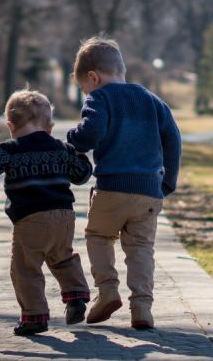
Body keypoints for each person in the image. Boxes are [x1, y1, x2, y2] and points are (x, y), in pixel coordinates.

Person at [0, 89, 93, 336]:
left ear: (10, 125)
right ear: (49, 126)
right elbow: (82, 175)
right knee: (63, 257)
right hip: (64, 217)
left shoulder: (9, 150)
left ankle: (34, 316)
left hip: (30, 219)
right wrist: (81, 155)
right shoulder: (61, 148)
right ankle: (76, 297)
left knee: (25, 268)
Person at [67, 37, 181, 330]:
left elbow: (90, 134)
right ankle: (142, 308)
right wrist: (167, 181)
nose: (86, 94)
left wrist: (72, 138)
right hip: (148, 191)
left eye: (84, 89)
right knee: (141, 248)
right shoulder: (152, 100)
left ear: (93, 77)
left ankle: (107, 291)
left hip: (111, 187)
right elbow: (174, 139)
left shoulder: (99, 98)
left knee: (98, 236)